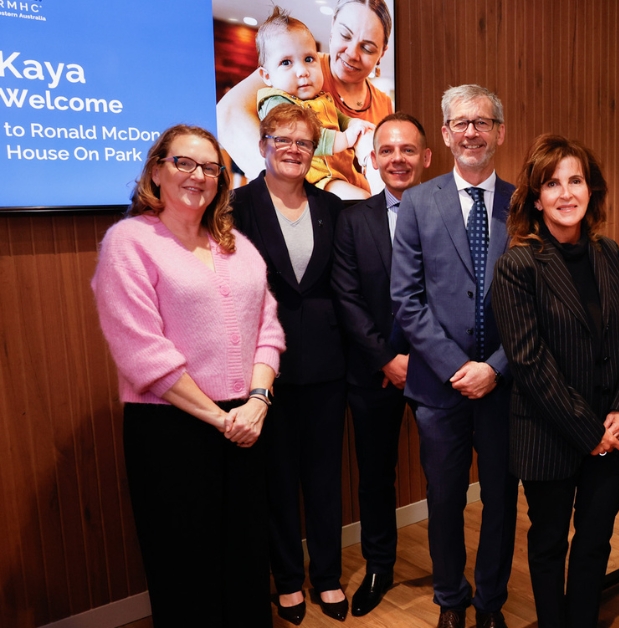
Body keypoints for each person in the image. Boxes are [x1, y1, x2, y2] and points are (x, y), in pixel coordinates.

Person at [91, 124, 285, 626]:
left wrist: (258, 402)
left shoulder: (237, 246)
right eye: (184, 163)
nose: (198, 175)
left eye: (211, 167)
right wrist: (220, 420)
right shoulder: (128, 242)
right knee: (184, 568)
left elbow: (269, 328)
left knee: (245, 561)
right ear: (157, 170)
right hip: (171, 430)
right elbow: (143, 354)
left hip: (247, 422)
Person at [492, 135, 619, 628]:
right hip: (550, 432)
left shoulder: (607, 251)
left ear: (590, 188)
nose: (565, 193)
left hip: (612, 429)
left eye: (575, 180)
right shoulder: (518, 265)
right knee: (550, 540)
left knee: (596, 538)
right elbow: (530, 364)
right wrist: (588, 430)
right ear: (536, 198)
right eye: (552, 184)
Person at [391, 84, 519, 628]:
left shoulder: (524, 202)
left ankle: (490, 602)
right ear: (443, 135)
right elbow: (406, 298)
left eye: (482, 122)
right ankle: (450, 598)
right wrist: (456, 367)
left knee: (501, 504)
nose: (472, 132)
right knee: (443, 501)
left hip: (507, 386)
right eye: (461, 123)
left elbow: (536, 302)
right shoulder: (419, 202)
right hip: (438, 390)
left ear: (499, 133)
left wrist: (496, 366)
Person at [231, 104, 348, 624]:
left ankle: (326, 575)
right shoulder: (235, 205)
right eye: (283, 139)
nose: (294, 149)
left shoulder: (331, 207)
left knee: (325, 477)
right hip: (262, 365)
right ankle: (286, 580)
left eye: (304, 142)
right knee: (277, 478)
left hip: (327, 361)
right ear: (262, 145)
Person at [331, 111, 432, 617]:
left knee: (446, 474)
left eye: (408, 150)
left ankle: (451, 569)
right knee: (375, 477)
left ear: (426, 158)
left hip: (437, 370)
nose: (398, 159)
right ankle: (379, 566)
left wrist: (425, 357)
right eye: (387, 150)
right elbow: (345, 297)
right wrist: (388, 359)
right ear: (373, 159)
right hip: (373, 373)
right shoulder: (353, 220)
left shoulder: (446, 216)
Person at [218, 0, 394, 195]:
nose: (352, 54)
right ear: (332, 27)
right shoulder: (293, 72)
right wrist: (291, 188)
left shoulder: (382, 103)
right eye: (345, 35)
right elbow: (227, 114)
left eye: (368, 48)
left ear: (382, 53)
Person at [254, 6, 375, 199]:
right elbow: (298, 138)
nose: (302, 71)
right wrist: (344, 139)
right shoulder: (276, 103)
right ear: (266, 76)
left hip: (343, 174)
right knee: (362, 201)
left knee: (377, 196)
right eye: (286, 62)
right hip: (316, 180)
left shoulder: (321, 97)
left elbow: (340, 117)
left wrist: (352, 124)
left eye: (309, 59)